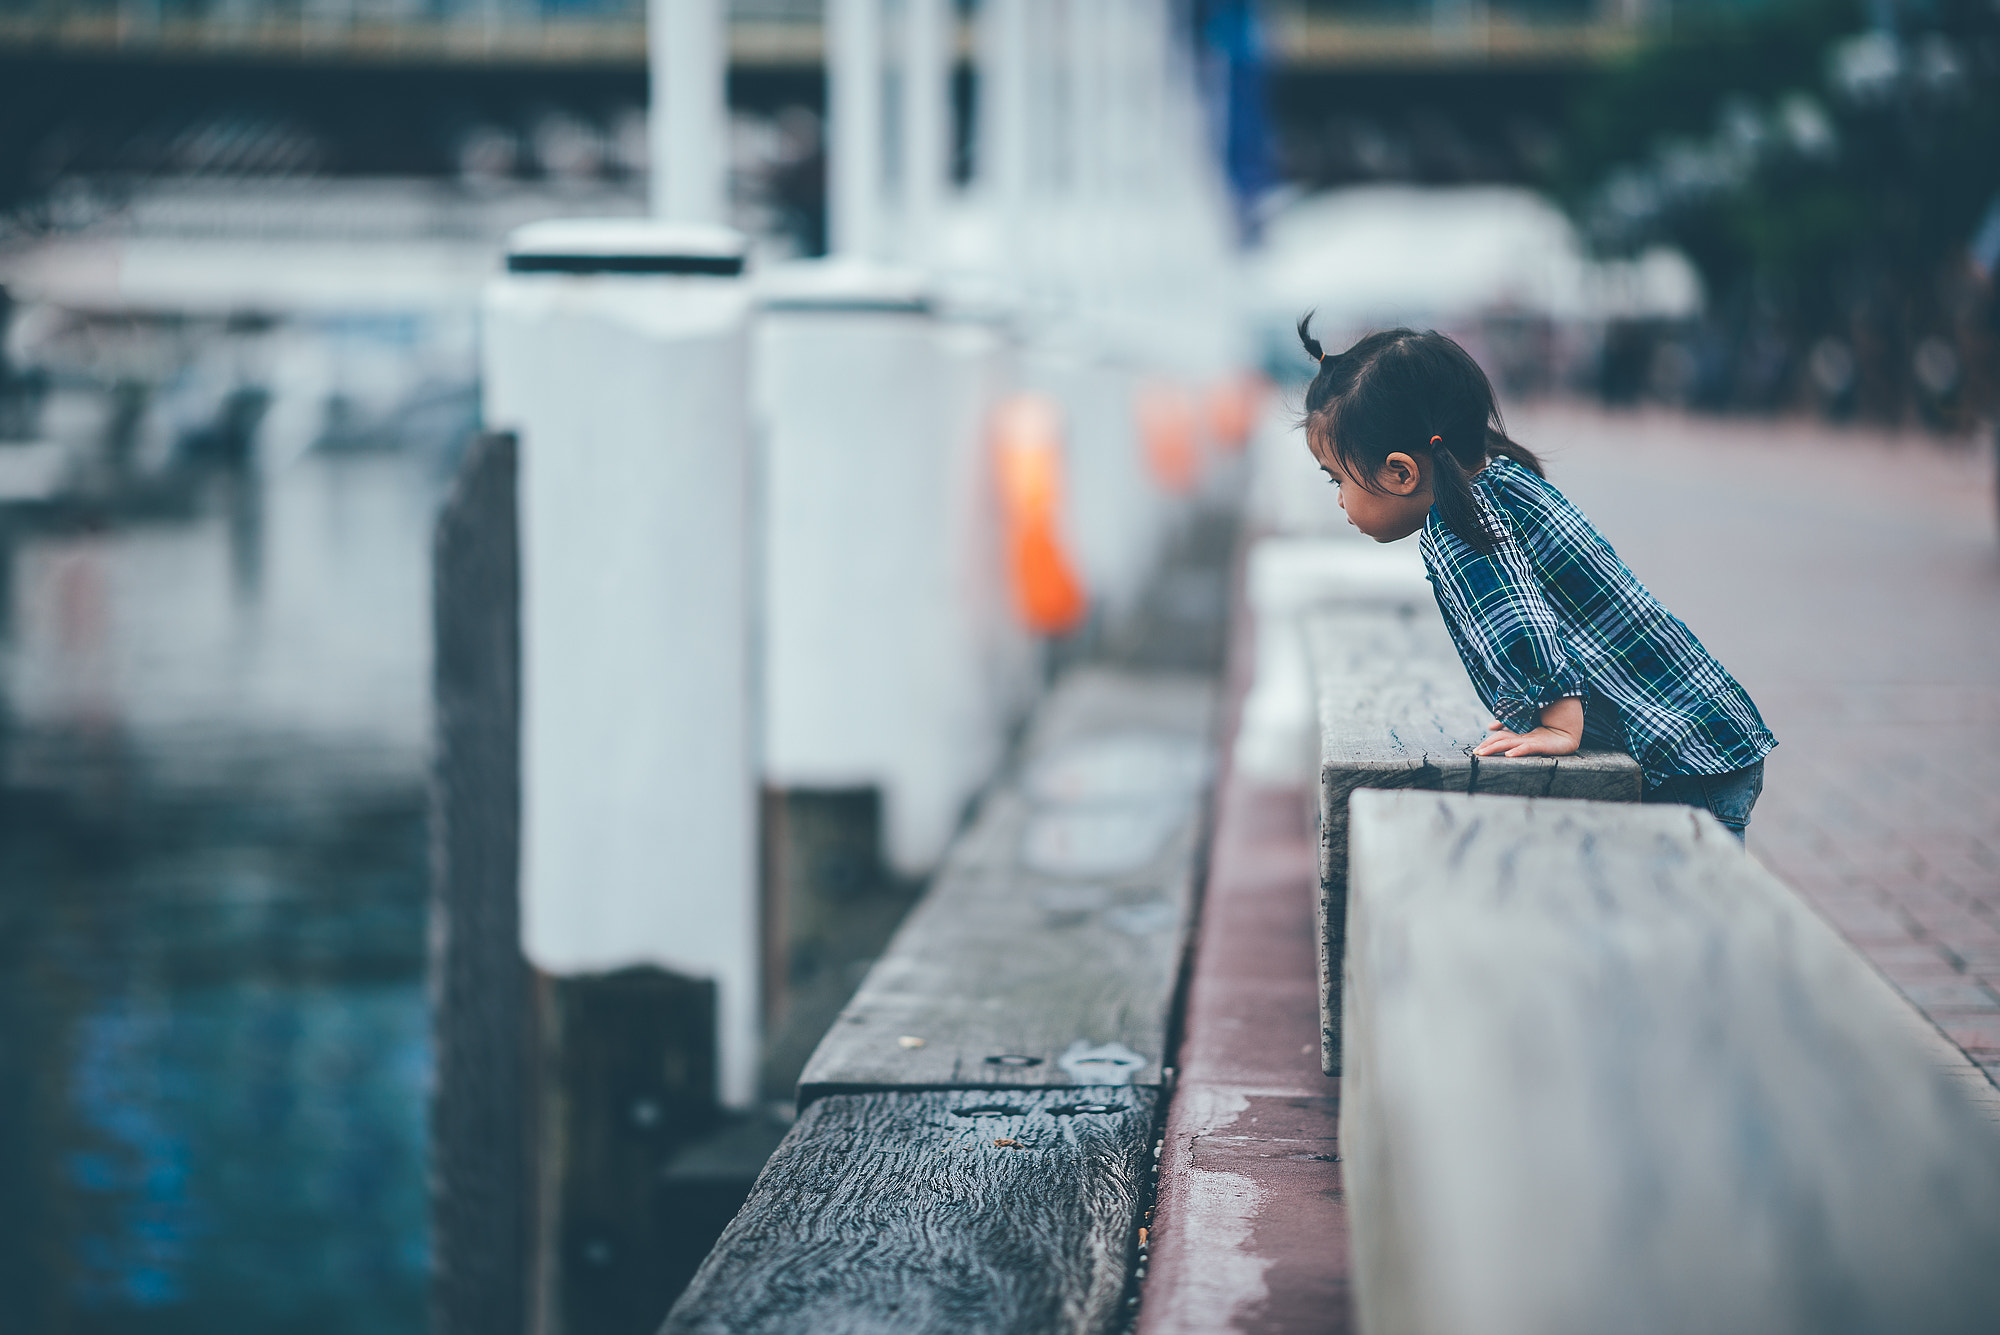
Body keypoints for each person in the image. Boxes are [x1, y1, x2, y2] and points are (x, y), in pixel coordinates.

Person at [1296, 320, 1775, 837]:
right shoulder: (1506, 480)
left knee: (1690, 905)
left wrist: (1557, 722)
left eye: (1338, 479)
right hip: (1703, 727)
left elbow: (1519, 622)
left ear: (1401, 472)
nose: (1340, 499)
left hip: (1679, 759)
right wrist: (1530, 705)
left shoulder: (1459, 527)